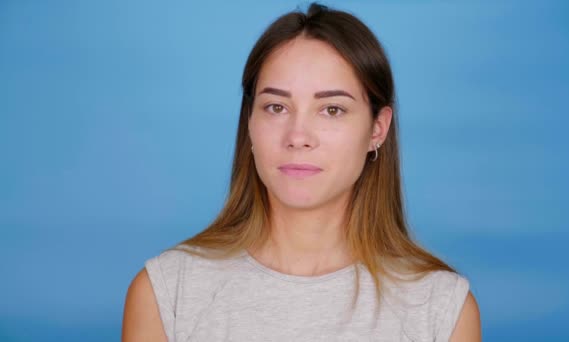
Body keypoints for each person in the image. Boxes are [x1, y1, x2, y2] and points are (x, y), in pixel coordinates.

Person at [122, 3, 481, 341]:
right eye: (276, 107)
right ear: (249, 123)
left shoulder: (440, 308)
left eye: (332, 110)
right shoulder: (168, 293)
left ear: (377, 129)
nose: (297, 137)